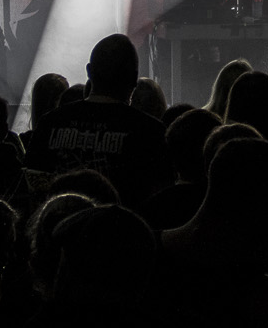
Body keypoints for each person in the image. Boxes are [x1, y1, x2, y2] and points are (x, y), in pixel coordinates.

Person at [27, 35, 173, 206]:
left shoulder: (50, 123)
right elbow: (162, 200)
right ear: (134, 78)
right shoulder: (151, 132)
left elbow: (34, 189)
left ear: (89, 71)